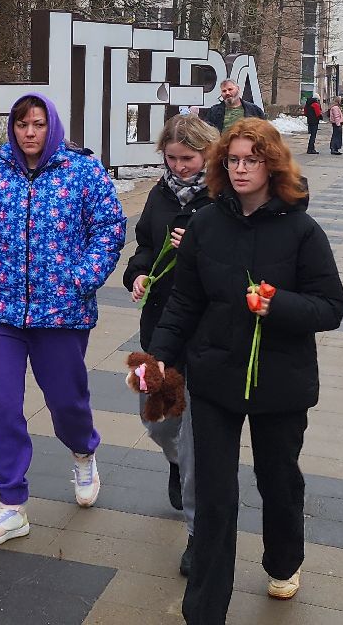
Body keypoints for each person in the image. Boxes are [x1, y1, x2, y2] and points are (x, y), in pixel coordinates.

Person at [140, 119, 343, 623]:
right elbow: (184, 301)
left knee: (277, 479)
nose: (239, 168)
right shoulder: (207, 223)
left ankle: (283, 560)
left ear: (271, 165)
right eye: (232, 159)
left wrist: (279, 305)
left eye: (250, 160)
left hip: (280, 381)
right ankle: (205, 610)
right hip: (214, 377)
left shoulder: (302, 230)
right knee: (214, 495)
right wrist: (159, 357)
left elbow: (331, 306)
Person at [0, 93, 127, 547]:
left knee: (67, 401)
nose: (29, 132)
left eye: (38, 124)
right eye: (22, 124)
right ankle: (11, 506)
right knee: (2, 405)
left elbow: (110, 228)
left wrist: (80, 279)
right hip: (1, 310)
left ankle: (83, 449)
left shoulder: (83, 172)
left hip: (62, 313)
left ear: (53, 126)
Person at [121, 114, 218, 575]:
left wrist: (198, 243)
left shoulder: (223, 196)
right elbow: (142, 245)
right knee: (156, 419)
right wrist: (138, 273)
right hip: (157, 329)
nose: (178, 167)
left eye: (187, 158)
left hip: (205, 333)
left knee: (197, 434)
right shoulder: (160, 195)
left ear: (206, 154)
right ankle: (176, 461)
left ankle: (197, 535)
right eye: (171, 158)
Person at [199, 79, 265, 132]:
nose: (227, 93)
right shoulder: (214, 111)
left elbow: (264, 130)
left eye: (230, 89)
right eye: (224, 91)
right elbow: (208, 132)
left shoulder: (254, 110)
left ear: (238, 89)